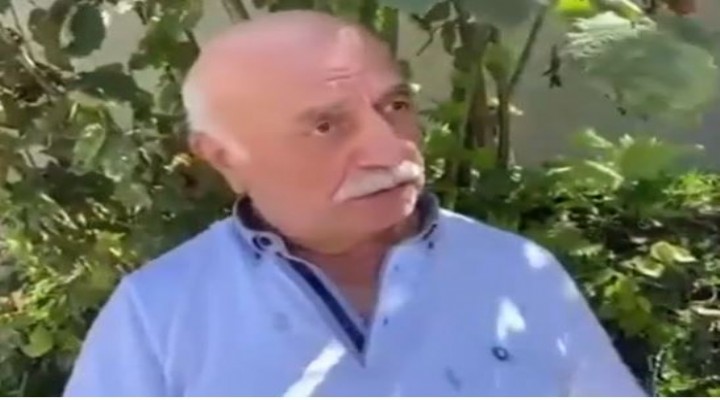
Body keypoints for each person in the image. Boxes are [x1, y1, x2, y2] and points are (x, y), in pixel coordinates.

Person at [63, 10, 646, 397]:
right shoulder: (159, 314)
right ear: (223, 156)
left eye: (395, 107)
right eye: (326, 126)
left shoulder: (516, 272)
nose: (391, 149)